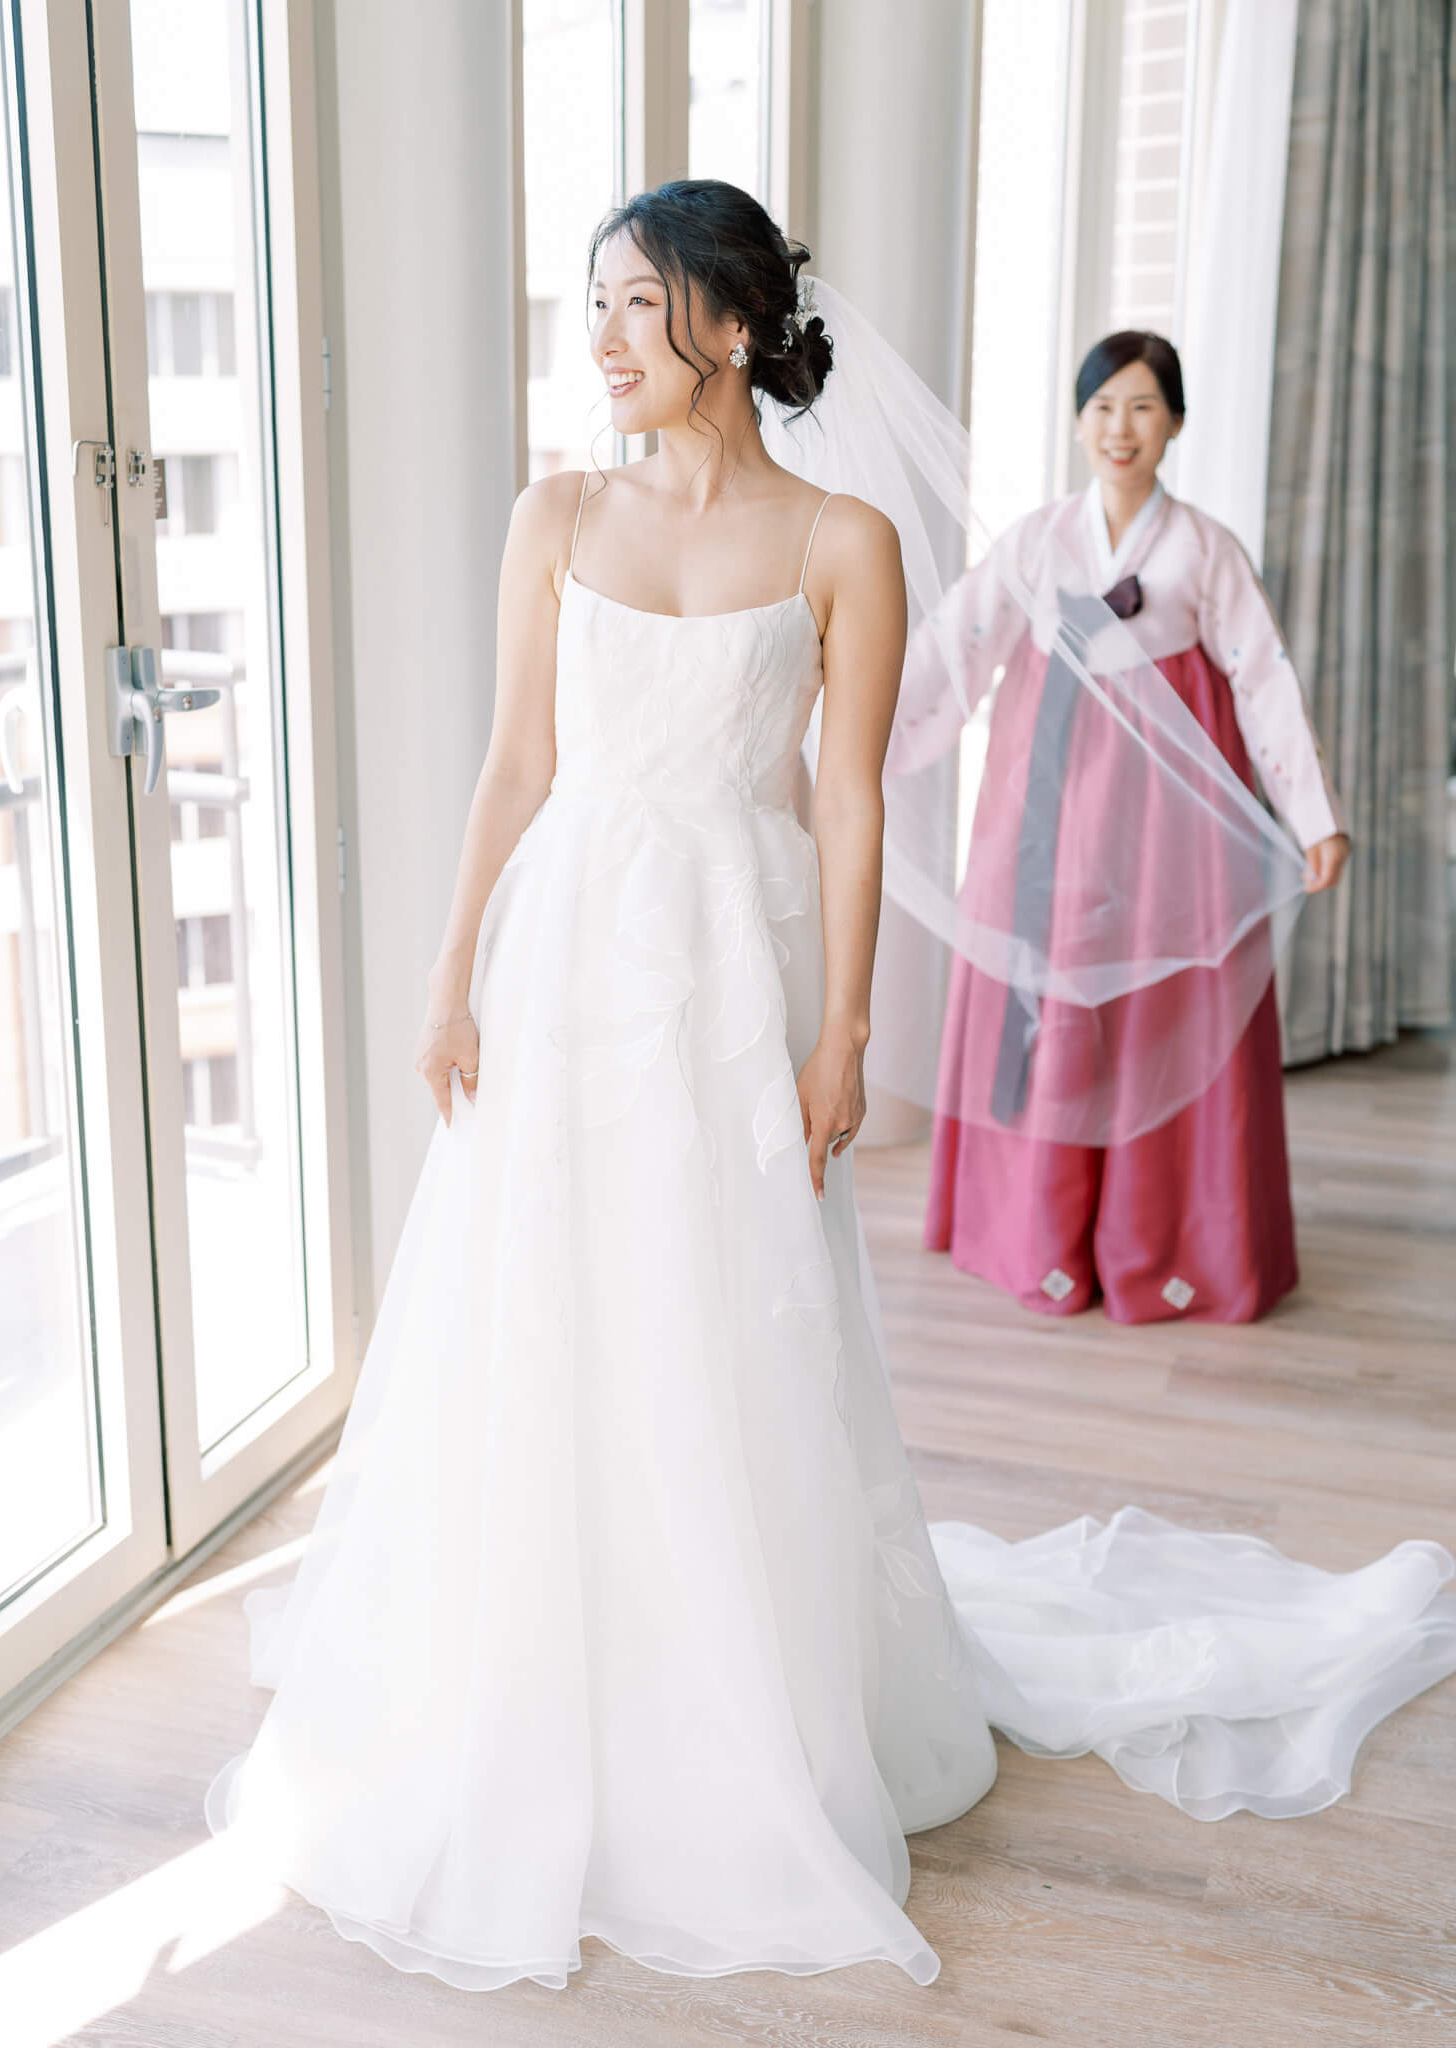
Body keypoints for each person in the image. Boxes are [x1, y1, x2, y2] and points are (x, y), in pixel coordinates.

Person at [205, 186, 1456, 1994]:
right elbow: (514, 761)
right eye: (594, 307)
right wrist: (448, 960)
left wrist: (847, 1035)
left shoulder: (844, 539)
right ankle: (536, 1663)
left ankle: (732, 1682)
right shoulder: (551, 511)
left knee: (725, 1313)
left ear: (727, 319)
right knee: (539, 1299)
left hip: (733, 961)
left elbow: (859, 799)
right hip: (564, 956)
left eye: (636, 304)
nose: (605, 336)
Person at [896, 333, 1350, 1322]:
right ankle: (1035, 1233)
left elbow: (1262, 679)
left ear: (1175, 422)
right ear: (1077, 420)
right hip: (1045, 809)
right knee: (1044, 988)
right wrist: (861, 735)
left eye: (1143, 407)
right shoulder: (1036, 539)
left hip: (1165, 831)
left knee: (1161, 1001)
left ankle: (1164, 1237)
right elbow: (955, 643)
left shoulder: (1203, 548)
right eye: (1103, 406)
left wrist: (1311, 815)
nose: (1121, 428)